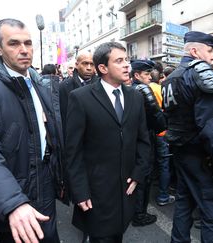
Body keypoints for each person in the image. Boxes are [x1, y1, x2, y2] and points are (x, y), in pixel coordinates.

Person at [0, 18, 66, 243]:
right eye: (14, 44)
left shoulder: (38, 84)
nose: (24, 50)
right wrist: (13, 202)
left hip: (45, 181)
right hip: (14, 187)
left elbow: (52, 136)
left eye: (28, 43)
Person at [64, 42, 150, 243]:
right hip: (96, 193)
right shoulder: (80, 98)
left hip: (126, 191)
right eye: (119, 61)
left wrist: (138, 173)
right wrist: (80, 191)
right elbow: (72, 151)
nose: (127, 65)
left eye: (127, 60)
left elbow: (143, 140)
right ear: (103, 68)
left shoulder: (135, 96)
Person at [161, 30, 213, 242]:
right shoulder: (202, 74)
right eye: (210, 50)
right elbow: (211, 130)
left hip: (181, 153)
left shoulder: (172, 78)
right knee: (212, 214)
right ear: (195, 51)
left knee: (184, 204)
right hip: (203, 157)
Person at [129, 59, 168, 226]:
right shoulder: (143, 89)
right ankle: (140, 214)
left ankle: (135, 211)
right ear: (137, 75)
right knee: (144, 177)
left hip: (134, 139)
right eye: (146, 74)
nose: (149, 77)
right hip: (145, 138)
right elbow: (157, 116)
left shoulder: (130, 88)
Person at [59, 51, 98, 131]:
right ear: (76, 65)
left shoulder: (101, 84)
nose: (89, 68)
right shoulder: (63, 87)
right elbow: (63, 116)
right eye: (85, 63)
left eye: (92, 64)